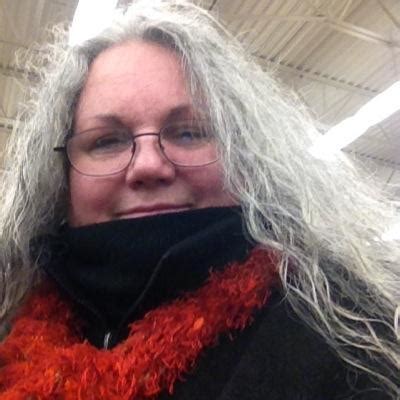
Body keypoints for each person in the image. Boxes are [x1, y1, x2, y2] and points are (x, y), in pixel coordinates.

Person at [0, 0, 398, 399]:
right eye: (107, 141)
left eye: (188, 132)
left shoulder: (352, 343)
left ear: (247, 159)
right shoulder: (11, 333)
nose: (148, 165)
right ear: (60, 179)